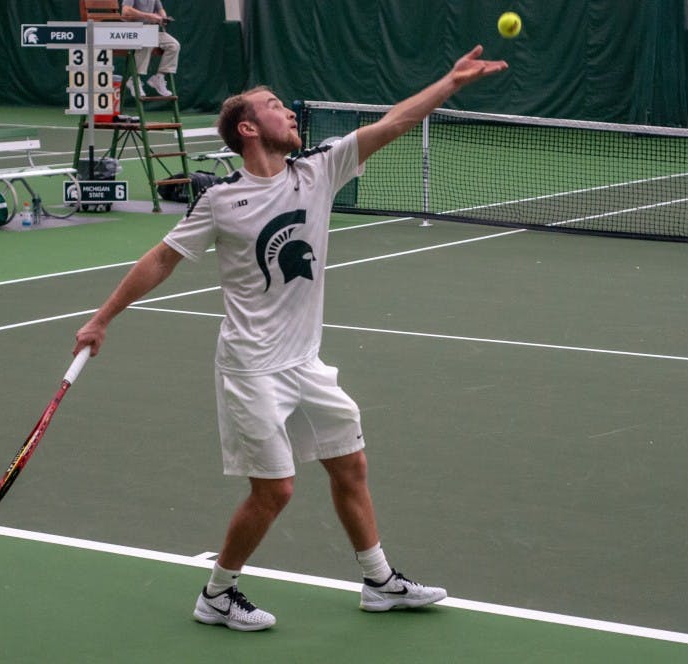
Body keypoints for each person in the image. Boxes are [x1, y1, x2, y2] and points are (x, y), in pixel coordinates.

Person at [74, 45, 507, 631]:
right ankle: (218, 594)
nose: (290, 114)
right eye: (276, 106)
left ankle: (379, 581)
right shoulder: (221, 200)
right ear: (248, 128)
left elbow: (394, 123)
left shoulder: (319, 170)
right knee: (275, 491)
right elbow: (162, 258)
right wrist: (102, 318)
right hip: (252, 369)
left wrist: (449, 82)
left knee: (349, 464)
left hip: (305, 362)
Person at [120, 0, 179, 97]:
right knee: (148, 41)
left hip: (150, 30)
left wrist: (163, 18)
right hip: (132, 31)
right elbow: (125, 11)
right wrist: (148, 16)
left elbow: (160, 9)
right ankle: (134, 80)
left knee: (174, 45)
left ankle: (159, 78)